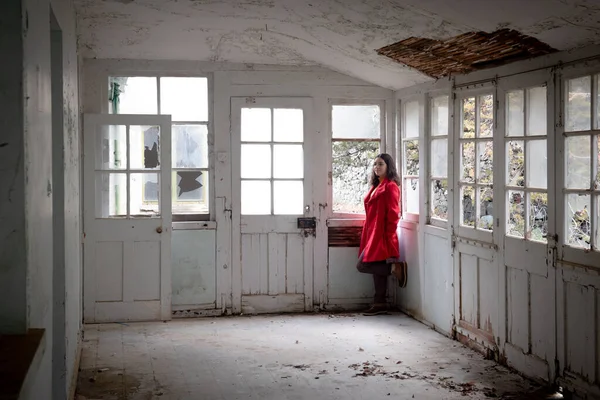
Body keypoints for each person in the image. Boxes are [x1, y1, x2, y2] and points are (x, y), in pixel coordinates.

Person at [356, 153, 407, 316]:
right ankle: (380, 303)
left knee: (363, 265)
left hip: (381, 234)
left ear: (388, 167)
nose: (377, 167)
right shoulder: (376, 184)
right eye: (375, 164)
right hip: (372, 232)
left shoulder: (391, 186)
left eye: (381, 164)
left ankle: (395, 268)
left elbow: (394, 213)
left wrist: (388, 235)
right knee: (375, 268)